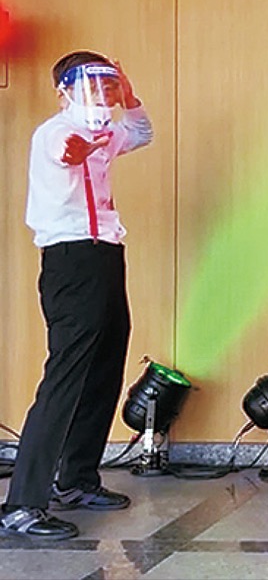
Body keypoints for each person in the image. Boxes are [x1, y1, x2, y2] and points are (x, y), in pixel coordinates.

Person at [1, 51, 152, 541]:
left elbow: (142, 132)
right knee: (66, 374)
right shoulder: (56, 131)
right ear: (63, 91)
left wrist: (128, 96)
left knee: (105, 365)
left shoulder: (105, 132)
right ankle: (22, 504)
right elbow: (65, 150)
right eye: (92, 84)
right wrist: (81, 147)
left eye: (108, 84)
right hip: (71, 259)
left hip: (106, 254)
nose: (101, 93)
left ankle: (77, 479)